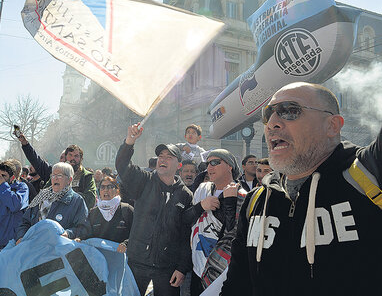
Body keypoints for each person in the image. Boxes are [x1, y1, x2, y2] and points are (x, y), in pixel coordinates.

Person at [221, 82, 382, 296]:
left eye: (289, 111)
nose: (272, 123)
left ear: (332, 126)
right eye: (268, 114)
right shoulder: (257, 200)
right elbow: (237, 284)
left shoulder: (368, 172)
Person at [116, 123, 193, 296]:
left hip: (167, 268)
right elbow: (122, 165)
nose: (162, 159)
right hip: (136, 263)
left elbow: (186, 235)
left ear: (178, 165)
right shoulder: (144, 181)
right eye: (160, 156)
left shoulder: (186, 195)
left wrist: (182, 268)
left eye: (169, 156)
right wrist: (130, 141)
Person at [186, 149, 247, 295]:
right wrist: (201, 206)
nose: (209, 167)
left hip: (223, 270)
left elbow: (234, 234)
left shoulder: (243, 196)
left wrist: (230, 202)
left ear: (230, 166)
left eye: (215, 162)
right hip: (197, 267)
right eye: (208, 163)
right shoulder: (203, 190)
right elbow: (184, 220)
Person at [17, 132, 96, 209]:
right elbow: (37, 162)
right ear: (66, 157)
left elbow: (90, 200)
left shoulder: (86, 176)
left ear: (81, 158)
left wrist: (66, 197)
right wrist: (25, 144)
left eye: (76, 156)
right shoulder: (54, 173)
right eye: (70, 155)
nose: (73, 159)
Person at [15, 162, 89, 243]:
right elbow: (25, 222)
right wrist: (21, 237)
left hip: (58, 250)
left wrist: (68, 234)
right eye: (53, 175)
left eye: (59, 175)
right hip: (34, 247)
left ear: (69, 180)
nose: (55, 178)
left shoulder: (77, 201)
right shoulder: (41, 196)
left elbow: (83, 229)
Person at [78, 175, 133, 252]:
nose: (106, 190)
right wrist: (79, 239)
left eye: (110, 187)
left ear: (117, 190)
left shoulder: (126, 210)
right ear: (99, 191)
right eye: (102, 187)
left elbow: (137, 233)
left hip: (122, 260)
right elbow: (87, 234)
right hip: (100, 260)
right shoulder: (93, 213)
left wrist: (126, 243)